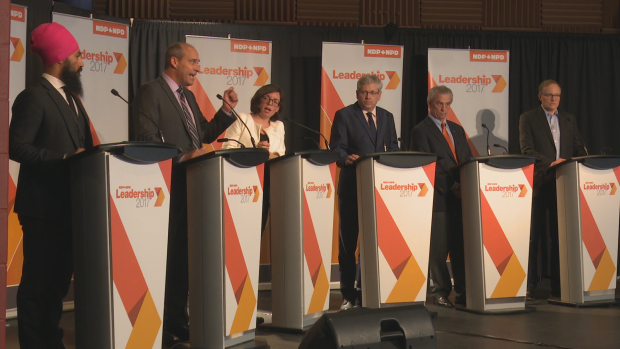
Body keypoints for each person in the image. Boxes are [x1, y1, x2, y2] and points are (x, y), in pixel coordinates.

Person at [131, 42, 237, 342]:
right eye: (193, 62)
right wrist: (180, 158)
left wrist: (226, 111)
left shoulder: (188, 96)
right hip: (166, 187)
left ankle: (177, 320)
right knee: (167, 259)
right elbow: (147, 138)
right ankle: (160, 328)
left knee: (183, 260)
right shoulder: (150, 92)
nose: (198, 68)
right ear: (174, 61)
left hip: (192, 185)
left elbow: (202, 135)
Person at [9, 22, 94, 348]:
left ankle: (52, 340)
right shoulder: (33, 97)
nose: (82, 62)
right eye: (78, 55)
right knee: (38, 284)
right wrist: (63, 157)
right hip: (42, 208)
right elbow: (17, 147)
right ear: (61, 57)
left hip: (68, 206)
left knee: (58, 284)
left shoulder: (71, 98)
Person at [330, 74, 400, 310]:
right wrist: (346, 159)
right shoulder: (344, 115)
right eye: (363, 92)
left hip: (379, 189)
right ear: (357, 93)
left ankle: (369, 292)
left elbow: (393, 148)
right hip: (352, 187)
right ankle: (349, 295)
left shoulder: (388, 117)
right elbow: (337, 148)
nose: (368, 96)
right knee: (348, 244)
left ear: (380, 94)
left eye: (372, 92)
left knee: (374, 244)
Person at [519, 80, 586, 299]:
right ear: (540, 96)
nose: (554, 99)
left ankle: (559, 285)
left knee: (559, 237)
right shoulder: (528, 118)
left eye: (557, 95)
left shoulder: (568, 119)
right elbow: (527, 149)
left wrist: (580, 161)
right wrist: (551, 163)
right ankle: (528, 286)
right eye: (549, 95)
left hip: (563, 183)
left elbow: (578, 147)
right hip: (540, 182)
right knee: (533, 237)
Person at [410, 85, 472, 308]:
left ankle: (464, 292)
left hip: (463, 197)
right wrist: (453, 185)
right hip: (439, 196)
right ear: (430, 104)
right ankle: (440, 292)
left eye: (447, 104)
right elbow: (427, 166)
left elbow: (467, 159)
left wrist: (466, 183)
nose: (444, 108)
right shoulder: (421, 131)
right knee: (439, 247)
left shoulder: (456, 129)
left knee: (461, 246)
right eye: (439, 104)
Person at [221, 84, 286, 233]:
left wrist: (265, 154)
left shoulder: (279, 126)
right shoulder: (242, 119)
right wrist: (254, 151)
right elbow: (227, 149)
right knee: (238, 228)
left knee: (258, 229)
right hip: (242, 183)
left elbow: (281, 155)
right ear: (258, 100)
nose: (270, 103)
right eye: (266, 98)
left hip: (268, 183)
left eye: (275, 101)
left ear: (278, 108)